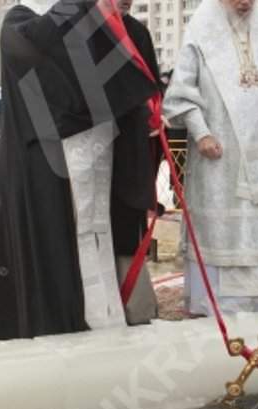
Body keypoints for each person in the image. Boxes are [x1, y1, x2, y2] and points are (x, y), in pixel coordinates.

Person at [0, 0, 158, 342]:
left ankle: (105, 320)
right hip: (44, 164)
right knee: (55, 246)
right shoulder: (20, 20)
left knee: (97, 238)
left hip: (95, 160)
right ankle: (58, 329)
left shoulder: (91, 20)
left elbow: (115, 88)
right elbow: (51, 69)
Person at [162, 0, 258, 315]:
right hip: (220, 157)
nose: (245, 3)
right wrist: (201, 133)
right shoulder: (202, 27)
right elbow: (180, 93)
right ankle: (216, 304)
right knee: (223, 232)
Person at [109, 0, 162, 324]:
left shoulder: (137, 32)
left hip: (129, 146)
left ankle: (134, 304)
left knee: (127, 223)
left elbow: (151, 88)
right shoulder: (81, 30)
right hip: (91, 145)